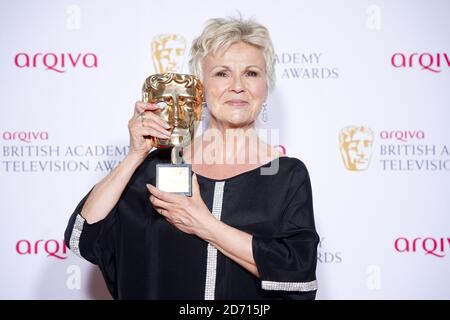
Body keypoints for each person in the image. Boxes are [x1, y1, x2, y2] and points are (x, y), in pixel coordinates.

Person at [64, 15, 319, 300]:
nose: (238, 86)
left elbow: (298, 273)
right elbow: (84, 236)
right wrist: (135, 155)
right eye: (222, 73)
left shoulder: (286, 176)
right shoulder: (155, 168)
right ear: (201, 90)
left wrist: (204, 224)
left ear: (265, 86)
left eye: (251, 73)